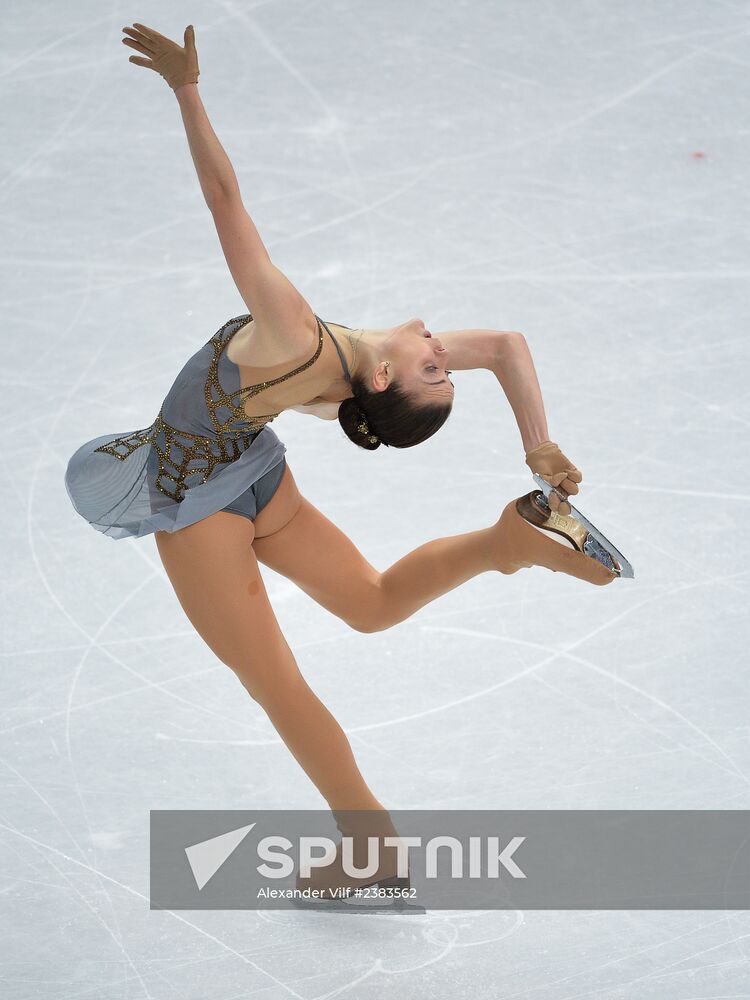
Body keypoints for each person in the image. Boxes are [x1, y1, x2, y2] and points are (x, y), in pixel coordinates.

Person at [64, 23, 620, 902]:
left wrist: (186, 90)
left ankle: (371, 848)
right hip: (257, 474)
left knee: (276, 687)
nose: (439, 346)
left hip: (200, 503)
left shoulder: (293, 330)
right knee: (372, 603)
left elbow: (223, 199)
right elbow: (505, 345)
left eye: (434, 366)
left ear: (388, 378)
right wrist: (536, 445)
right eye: (442, 363)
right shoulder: (357, 370)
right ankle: (503, 543)